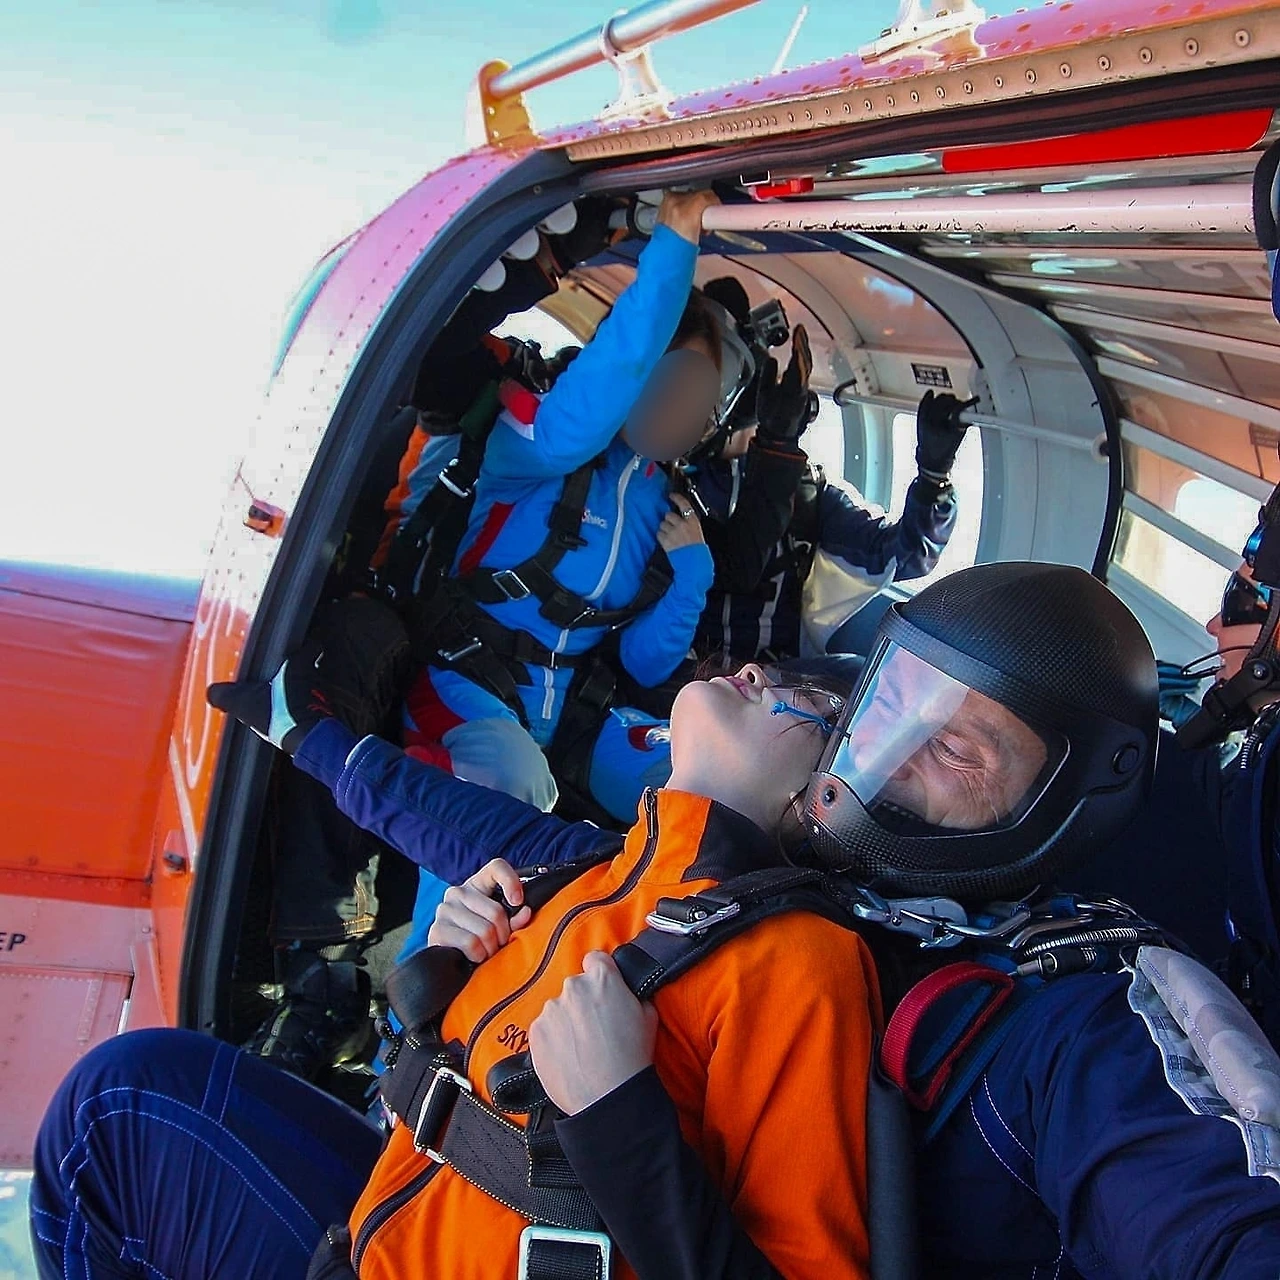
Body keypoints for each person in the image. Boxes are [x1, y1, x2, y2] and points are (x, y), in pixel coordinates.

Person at [466, 562, 1280, 1278]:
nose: (892, 750)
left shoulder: (1076, 1034)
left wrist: (621, 1128)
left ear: (1050, 813)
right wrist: (486, 937)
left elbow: (1217, 1227)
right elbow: (554, 855)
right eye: (895, 703)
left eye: (957, 752)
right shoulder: (754, 874)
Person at [33, 623, 874, 1278]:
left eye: (810, 700)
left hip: (413, 1250)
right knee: (125, 1089)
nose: (762, 673)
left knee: (110, 1116)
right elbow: (437, 814)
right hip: (381, 1232)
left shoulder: (799, 963)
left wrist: (620, 1115)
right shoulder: (588, 870)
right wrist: (444, 987)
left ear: (827, 798)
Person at [228, 189, 723, 1079]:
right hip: (462, 684)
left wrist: (693, 573)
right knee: (508, 791)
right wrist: (675, 247)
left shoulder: (668, 505)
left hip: (565, 715)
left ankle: (695, 983)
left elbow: (645, 658)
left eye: (707, 401)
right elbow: (586, 410)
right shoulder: (535, 443)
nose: (689, 411)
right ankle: (417, 1033)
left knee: (704, 782)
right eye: (673, 382)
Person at [679, 276, 960, 668]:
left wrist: (933, 479)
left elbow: (905, 556)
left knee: (853, 669)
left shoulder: (809, 492)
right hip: (677, 677)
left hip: (773, 685)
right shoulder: (668, 481)